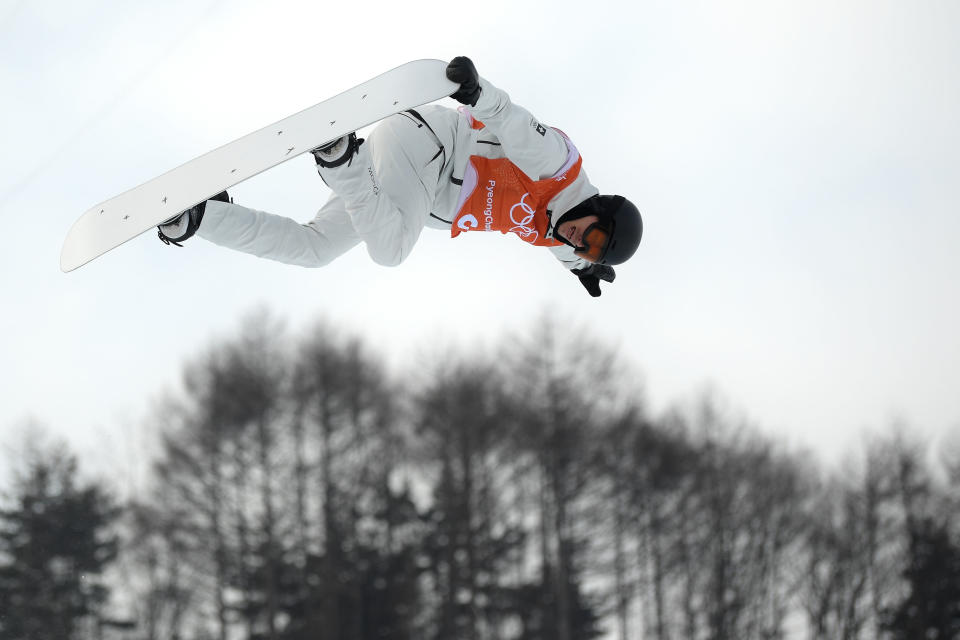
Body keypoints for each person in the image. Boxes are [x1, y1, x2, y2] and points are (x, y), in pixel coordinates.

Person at [158, 57, 642, 297]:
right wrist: (475, 91)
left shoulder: (564, 236)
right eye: (592, 236)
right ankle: (340, 159)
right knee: (390, 251)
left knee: (316, 250)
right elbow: (511, 120)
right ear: (599, 209)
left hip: (404, 186)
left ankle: (201, 218)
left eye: (588, 248)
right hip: (428, 147)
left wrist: (583, 269)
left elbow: (569, 254)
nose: (580, 240)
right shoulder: (558, 167)